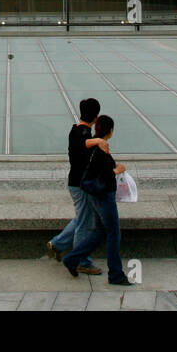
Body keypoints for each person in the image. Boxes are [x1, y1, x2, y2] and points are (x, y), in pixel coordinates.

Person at [63, 115, 131, 285]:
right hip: (103, 195)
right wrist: (117, 170)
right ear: (111, 131)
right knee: (114, 233)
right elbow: (101, 175)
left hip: (93, 194)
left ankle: (72, 259)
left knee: (100, 232)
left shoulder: (93, 143)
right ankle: (116, 274)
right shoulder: (101, 147)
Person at [45, 98, 105, 274]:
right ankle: (82, 261)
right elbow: (82, 144)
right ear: (96, 116)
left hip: (75, 182)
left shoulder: (76, 129)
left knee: (82, 218)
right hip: (81, 185)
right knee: (85, 223)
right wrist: (98, 141)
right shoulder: (83, 134)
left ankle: (56, 244)